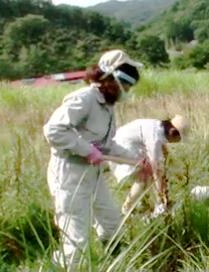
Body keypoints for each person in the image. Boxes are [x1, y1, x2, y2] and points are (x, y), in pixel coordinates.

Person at [43, 49, 151, 267]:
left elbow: (107, 145)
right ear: (111, 80)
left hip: (92, 174)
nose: (127, 91)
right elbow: (53, 130)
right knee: (76, 241)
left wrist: (137, 160)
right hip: (70, 175)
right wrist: (86, 150)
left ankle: (116, 264)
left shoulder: (107, 106)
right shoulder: (84, 99)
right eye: (127, 86)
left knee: (112, 223)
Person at [110, 115, 190, 217]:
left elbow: (165, 155)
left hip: (128, 144)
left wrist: (176, 172)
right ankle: (127, 209)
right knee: (144, 176)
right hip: (122, 146)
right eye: (177, 139)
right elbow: (156, 169)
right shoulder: (154, 137)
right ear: (172, 132)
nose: (176, 142)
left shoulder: (158, 129)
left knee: (148, 173)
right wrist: (162, 197)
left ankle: (143, 204)